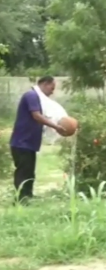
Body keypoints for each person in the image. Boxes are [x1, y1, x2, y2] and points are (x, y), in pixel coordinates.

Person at [10, 76, 66, 204]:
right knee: (23, 171)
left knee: (29, 172)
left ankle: (28, 196)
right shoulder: (31, 96)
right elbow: (36, 116)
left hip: (29, 143)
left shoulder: (38, 99)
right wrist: (56, 126)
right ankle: (20, 199)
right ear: (45, 84)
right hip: (21, 142)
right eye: (52, 88)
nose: (52, 91)